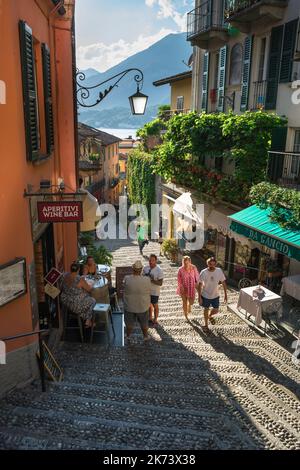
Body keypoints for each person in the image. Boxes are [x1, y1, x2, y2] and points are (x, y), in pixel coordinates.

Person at [61, 262, 96, 328]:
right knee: (93, 300)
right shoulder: (79, 279)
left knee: (85, 296)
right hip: (76, 304)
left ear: (70, 269)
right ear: (78, 270)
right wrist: (92, 285)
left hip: (66, 302)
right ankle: (88, 320)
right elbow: (89, 289)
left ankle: (84, 317)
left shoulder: (64, 276)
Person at [123, 260, 151, 342]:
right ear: (141, 269)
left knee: (129, 323)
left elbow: (124, 286)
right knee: (144, 322)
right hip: (142, 305)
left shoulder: (127, 278)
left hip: (130, 305)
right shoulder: (147, 279)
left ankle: (127, 336)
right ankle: (145, 336)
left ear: (133, 269)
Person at [198, 257, 227, 330]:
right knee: (206, 309)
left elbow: (223, 282)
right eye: (210, 264)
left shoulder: (219, 271)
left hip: (215, 295)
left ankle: (209, 316)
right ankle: (206, 325)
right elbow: (200, 285)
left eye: (213, 264)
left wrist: (226, 295)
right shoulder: (203, 272)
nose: (212, 266)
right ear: (207, 264)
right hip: (205, 294)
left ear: (215, 264)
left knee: (216, 310)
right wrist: (199, 297)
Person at [143, 254, 164, 328]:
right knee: (148, 305)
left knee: (155, 305)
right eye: (149, 260)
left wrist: (152, 280)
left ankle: (155, 319)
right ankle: (150, 318)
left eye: (152, 260)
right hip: (146, 291)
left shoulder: (159, 270)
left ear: (155, 261)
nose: (150, 262)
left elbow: (160, 283)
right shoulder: (145, 268)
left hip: (155, 292)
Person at [177, 256, 200, 321]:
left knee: (191, 302)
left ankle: (189, 305)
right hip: (183, 287)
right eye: (184, 262)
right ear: (183, 262)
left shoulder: (193, 267)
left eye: (187, 262)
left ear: (190, 261)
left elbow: (197, 276)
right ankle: (186, 315)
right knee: (184, 301)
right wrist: (181, 286)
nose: (186, 263)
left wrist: (197, 283)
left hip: (191, 287)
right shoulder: (180, 269)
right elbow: (179, 279)